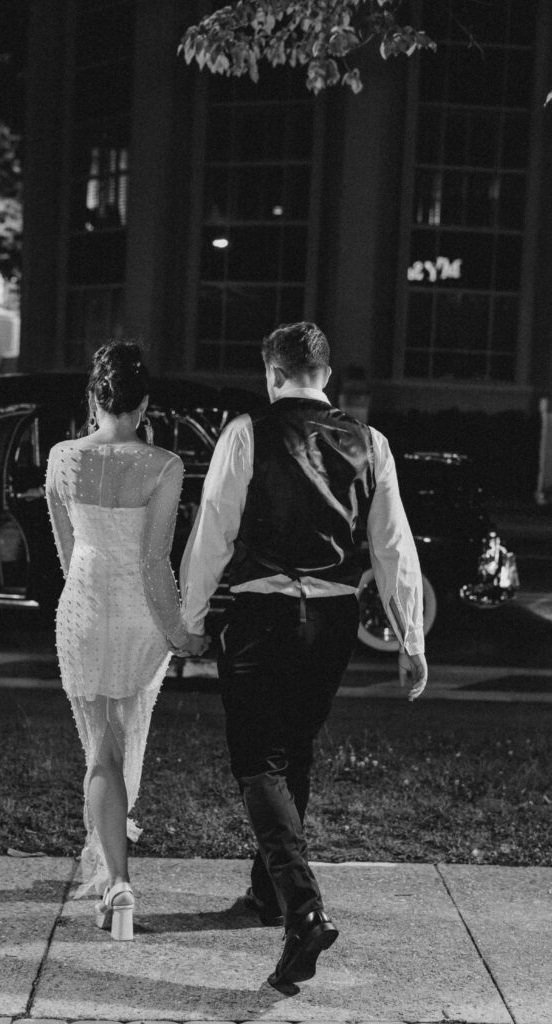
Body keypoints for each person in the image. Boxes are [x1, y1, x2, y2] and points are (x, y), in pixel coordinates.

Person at [180, 322, 427, 989]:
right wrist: (410, 636)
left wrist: (191, 620)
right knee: (296, 751)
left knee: (257, 760)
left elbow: (213, 533)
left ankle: (302, 910)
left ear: (274, 372)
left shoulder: (245, 433)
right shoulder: (368, 442)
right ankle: (267, 897)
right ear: (325, 376)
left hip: (263, 614)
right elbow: (392, 546)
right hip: (333, 620)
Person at [45, 342, 207, 941]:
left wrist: (84, 600)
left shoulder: (63, 458)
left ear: (94, 397)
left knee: (101, 751)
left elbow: (68, 552)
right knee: (120, 741)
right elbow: (154, 563)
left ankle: (116, 881)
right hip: (138, 618)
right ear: (144, 406)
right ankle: (117, 878)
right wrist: (178, 632)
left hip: (83, 607)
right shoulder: (164, 466)